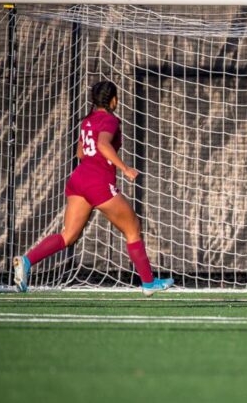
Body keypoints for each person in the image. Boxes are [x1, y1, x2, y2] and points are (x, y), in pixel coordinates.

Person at [13, 80, 174, 296]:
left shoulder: (87, 121)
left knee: (68, 236)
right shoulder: (109, 120)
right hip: (97, 181)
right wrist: (125, 169)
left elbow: (81, 153)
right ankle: (148, 283)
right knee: (133, 227)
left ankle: (27, 261)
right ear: (114, 100)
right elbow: (103, 145)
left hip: (79, 178)